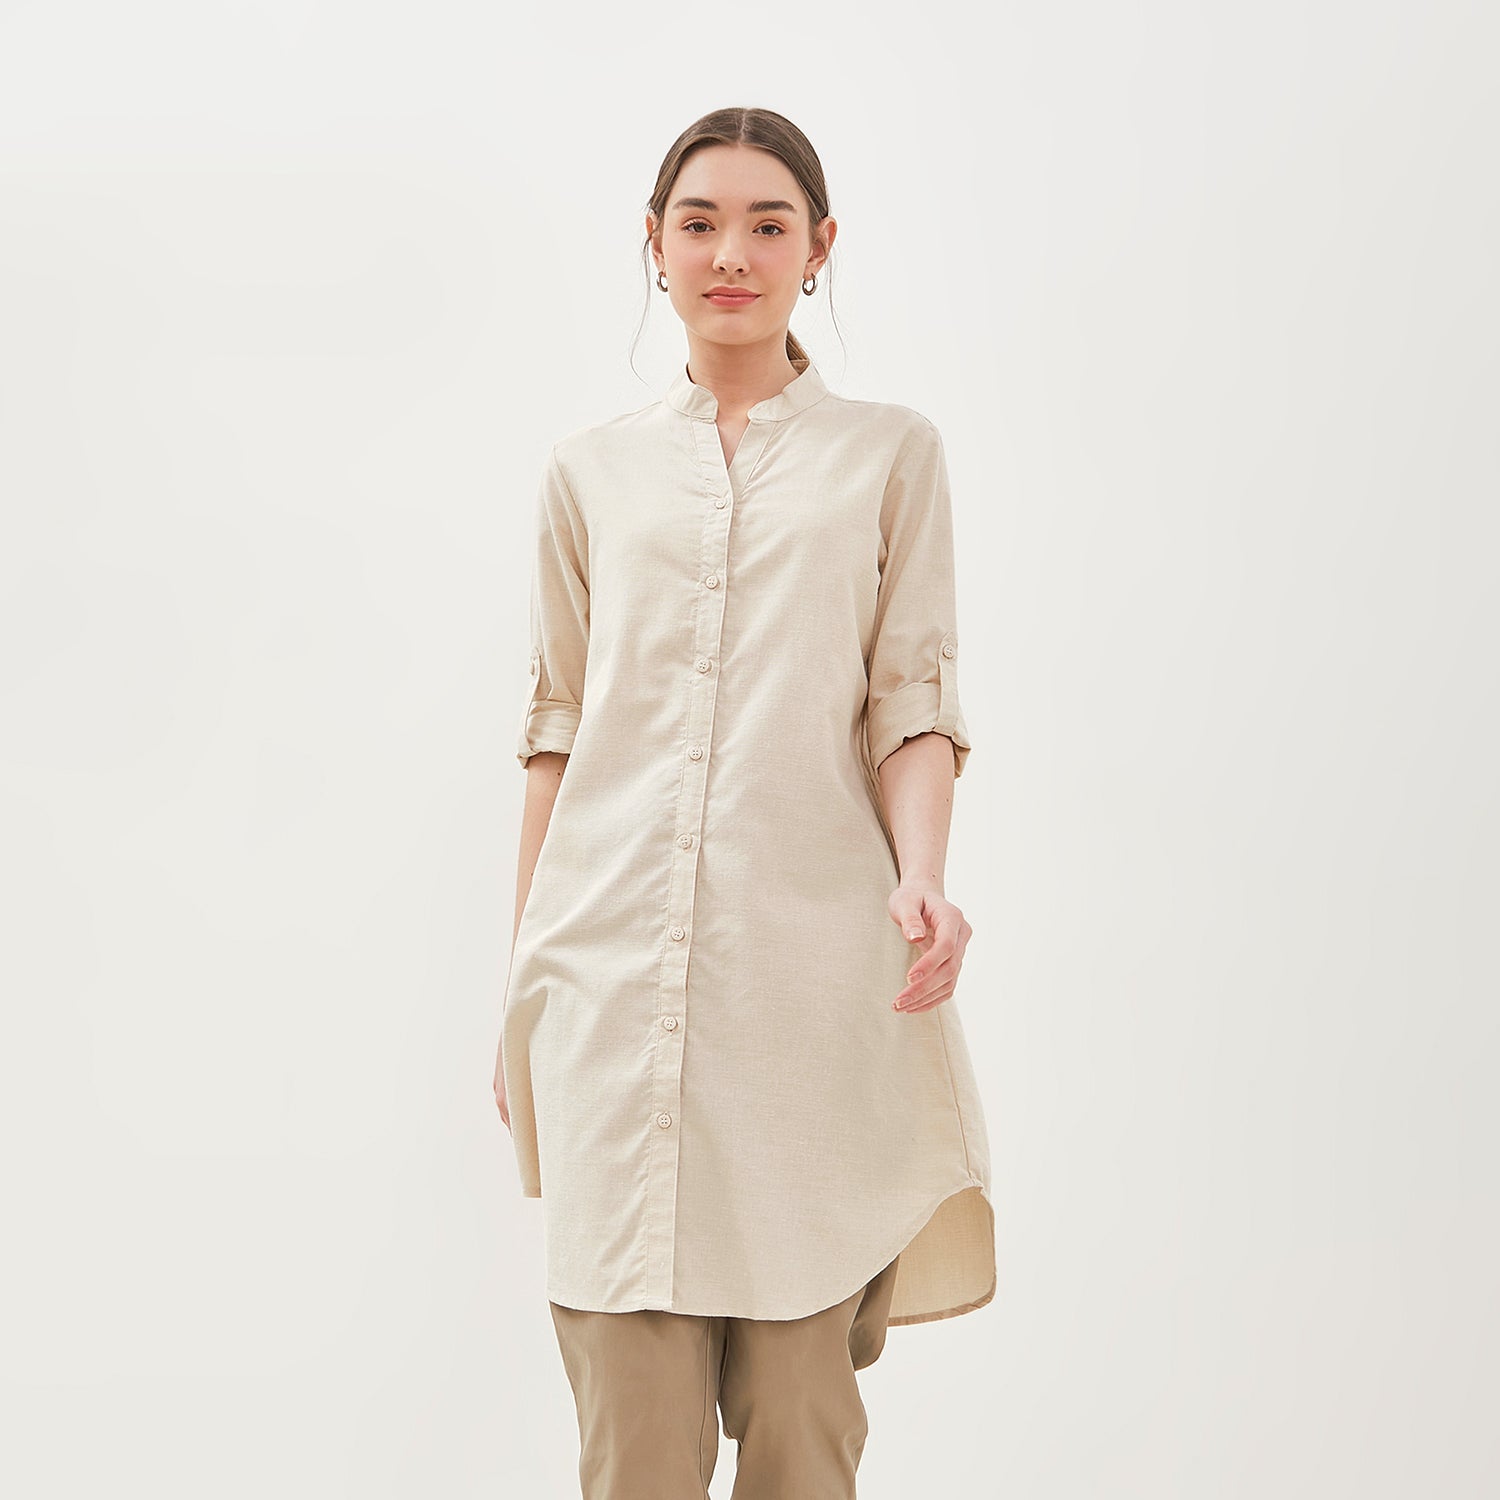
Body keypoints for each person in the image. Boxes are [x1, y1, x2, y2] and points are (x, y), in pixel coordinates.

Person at [493, 105, 996, 1499]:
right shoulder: (588, 473)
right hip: (608, 989)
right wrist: (524, 977)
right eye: (700, 223)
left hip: (808, 1000)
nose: (732, 254)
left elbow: (913, 698)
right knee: (636, 1447)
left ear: (818, 247)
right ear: (653, 246)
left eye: (768, 225)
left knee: (801, 1428)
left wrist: (922, 873)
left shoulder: (889, 455)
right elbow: (556, 731)